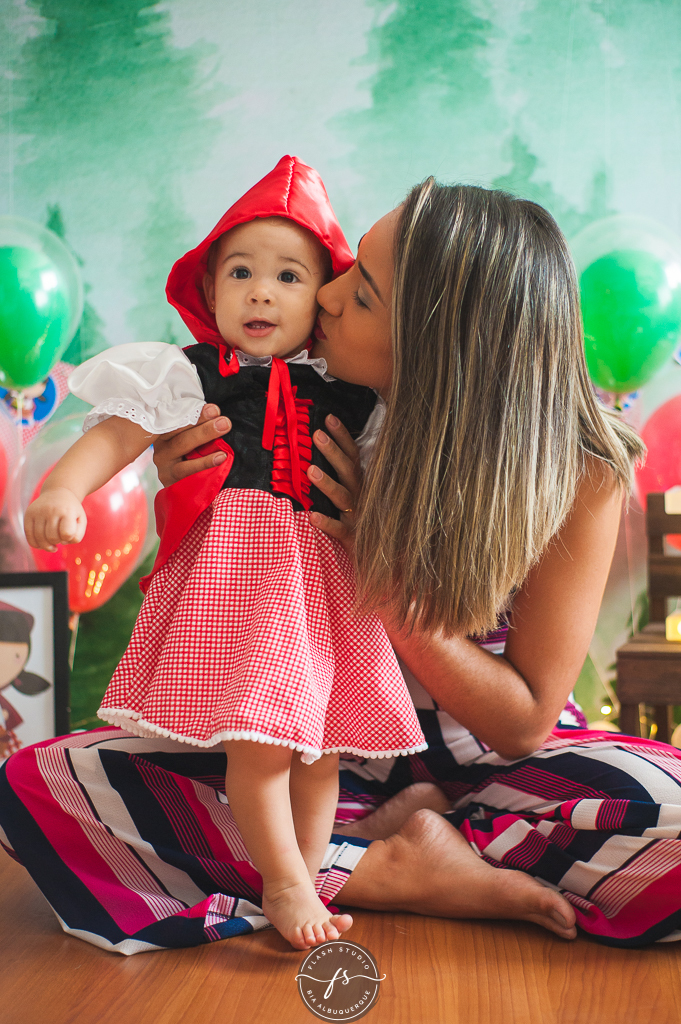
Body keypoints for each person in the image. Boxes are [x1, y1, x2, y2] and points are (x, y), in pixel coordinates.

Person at [4, 177, 680, 954]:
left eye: (362, 293)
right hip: (311, 738)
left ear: (435, 344)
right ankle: (386, 867)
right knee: (42, 785)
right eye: (345, 269)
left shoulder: (580, 466)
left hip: (487, 760)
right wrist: (190, 501)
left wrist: (371, 559)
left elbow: (521, 723)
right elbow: (238, 598)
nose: (324, 297)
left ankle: (355, 852)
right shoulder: (291, 404)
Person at [21, 157, 426, 951]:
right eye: (239, 271)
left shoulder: (348, 389)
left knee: (318, 752)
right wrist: (65, 490)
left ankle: (303, 877)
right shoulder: (195, 374)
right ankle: (281, 881)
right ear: (208, 291)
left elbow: (394, 479)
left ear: (325, 297)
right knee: (263, 744)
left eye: (287, 275)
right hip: (241, 582)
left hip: (318, 586)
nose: (261, 291)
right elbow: (117, 432)